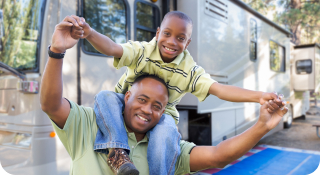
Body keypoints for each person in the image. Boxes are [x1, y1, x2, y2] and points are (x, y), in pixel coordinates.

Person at [40, 18, 288, 175]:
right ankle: (117, 152)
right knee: (105, 96)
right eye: (167, 34)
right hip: (115, 104)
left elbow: (220, 92)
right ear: (157, 33)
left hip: (166, 120)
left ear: (188, 43)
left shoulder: (189, 72)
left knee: (167, 130)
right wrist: (85, 35)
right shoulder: (89, 125)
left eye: (180, 38)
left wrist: (259, 99)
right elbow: (112, 48)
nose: (172, 42)